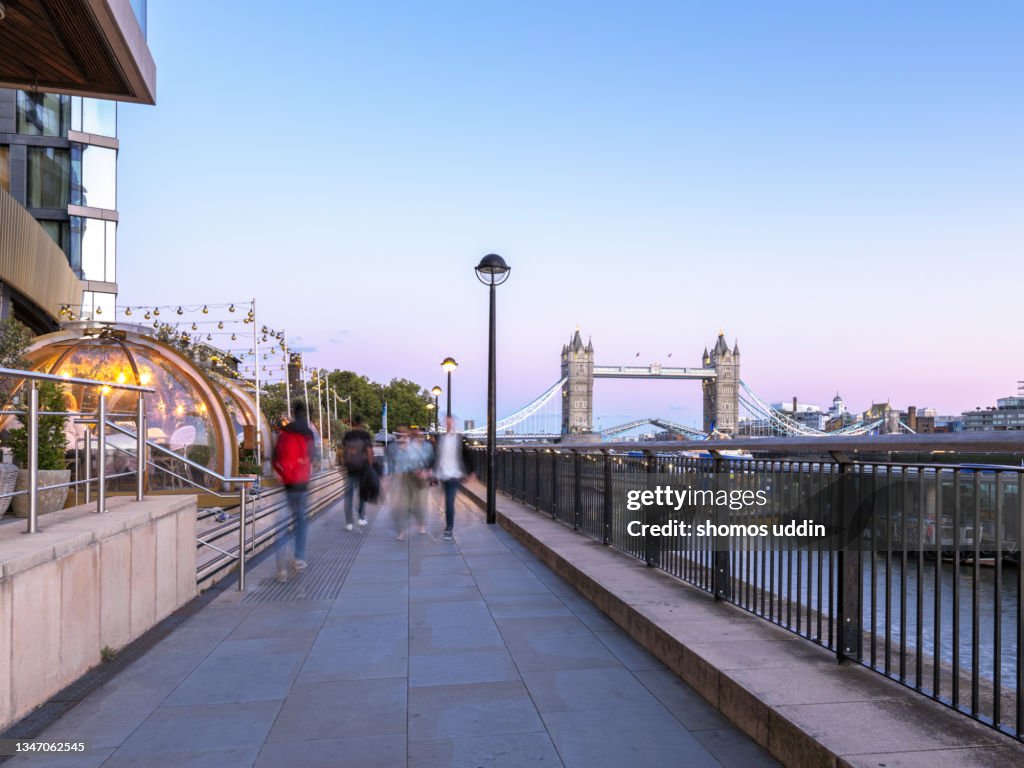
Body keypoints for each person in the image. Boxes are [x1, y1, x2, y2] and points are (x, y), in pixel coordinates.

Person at [271, 400, 315, 582]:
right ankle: (299, 558)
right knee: (301, 521)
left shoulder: (284, 432)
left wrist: (280, 473)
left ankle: (281, 567)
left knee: (281, 525)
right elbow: (312, 457)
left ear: (292, 412)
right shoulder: (309, 433)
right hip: (302, 483)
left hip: (287, 483)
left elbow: (275, 457)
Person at [389, 426, 434, 539]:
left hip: (419, 478)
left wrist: (426, 471)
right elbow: (398, 464)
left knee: (420, 502)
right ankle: (401, 532)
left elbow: (426, 459)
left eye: (405, 434)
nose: (403, 437)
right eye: (401, 435)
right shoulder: (400, 447)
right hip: (406, 477)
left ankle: (421, 525)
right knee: (403, 504)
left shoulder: (419, 446)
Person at [433, 416, 474, 539]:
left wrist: (471, 471)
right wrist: (432, 472)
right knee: (446, 500)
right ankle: (448, 523)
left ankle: (449, 527)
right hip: (442, 474)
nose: (448, 424)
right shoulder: (440, 439)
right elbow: (435, 455)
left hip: (455, 474)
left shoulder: (460, 439)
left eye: (450, 422)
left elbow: (467, 455)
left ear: (454, 424)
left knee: (449, 501)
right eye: (446, 422)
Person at [341, 414, 374, 531]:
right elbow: (369, 452)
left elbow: (344, 453)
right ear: (361, 424)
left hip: (350, 470)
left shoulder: (347, 435)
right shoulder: (365, 435)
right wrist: (370, 467)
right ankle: (360, 518)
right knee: (361, 494)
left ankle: (349, 523)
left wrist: (344, 465)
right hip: (362, 470)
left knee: (348, 496)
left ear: (352, 424)